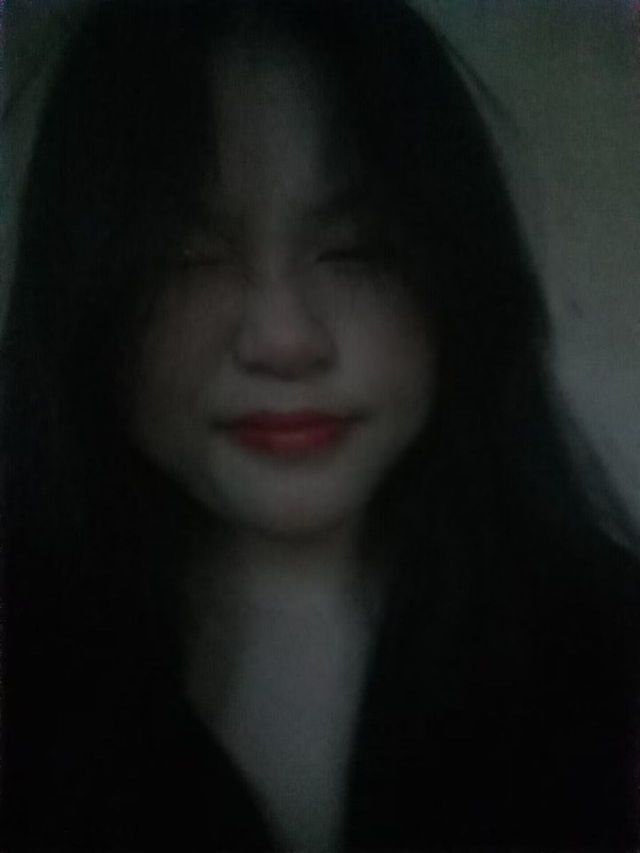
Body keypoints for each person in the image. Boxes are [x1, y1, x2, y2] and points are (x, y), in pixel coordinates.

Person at [2, 0, 639, 850]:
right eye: (185, 256)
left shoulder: (610, 650)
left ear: (458, 271)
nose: (285, 340)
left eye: (357, 248)